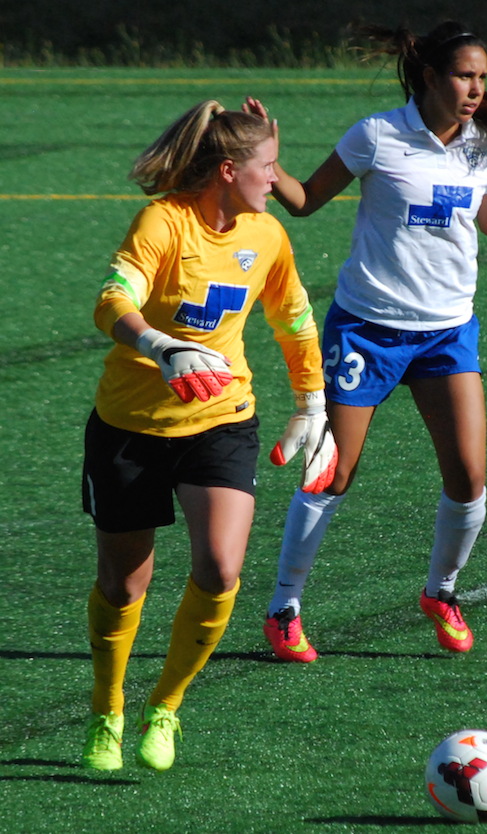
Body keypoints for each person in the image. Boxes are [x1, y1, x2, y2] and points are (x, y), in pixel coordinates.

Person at [245, 19, 487, 663]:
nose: (476, 88)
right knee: (332, 474)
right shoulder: (377, 134)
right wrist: (269, 163)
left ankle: (442, 592)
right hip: (367, 330)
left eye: (483, 77)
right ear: (432, 77)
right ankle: (283, 607)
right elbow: (303, 202)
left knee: (469, 476)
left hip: (447, 332)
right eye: (465, 76)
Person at [80, 99, 337, 772]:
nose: (277, 180)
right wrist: (162, 347)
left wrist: (312, 401)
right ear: (228, 171)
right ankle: (108, 709)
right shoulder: (163, 222)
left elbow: (294, 319)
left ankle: (164, 708)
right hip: (129, 427)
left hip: (222, 420)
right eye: (269, 167)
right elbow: (112, 300)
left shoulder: (269, 235)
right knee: (123, 586)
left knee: (221, 569)